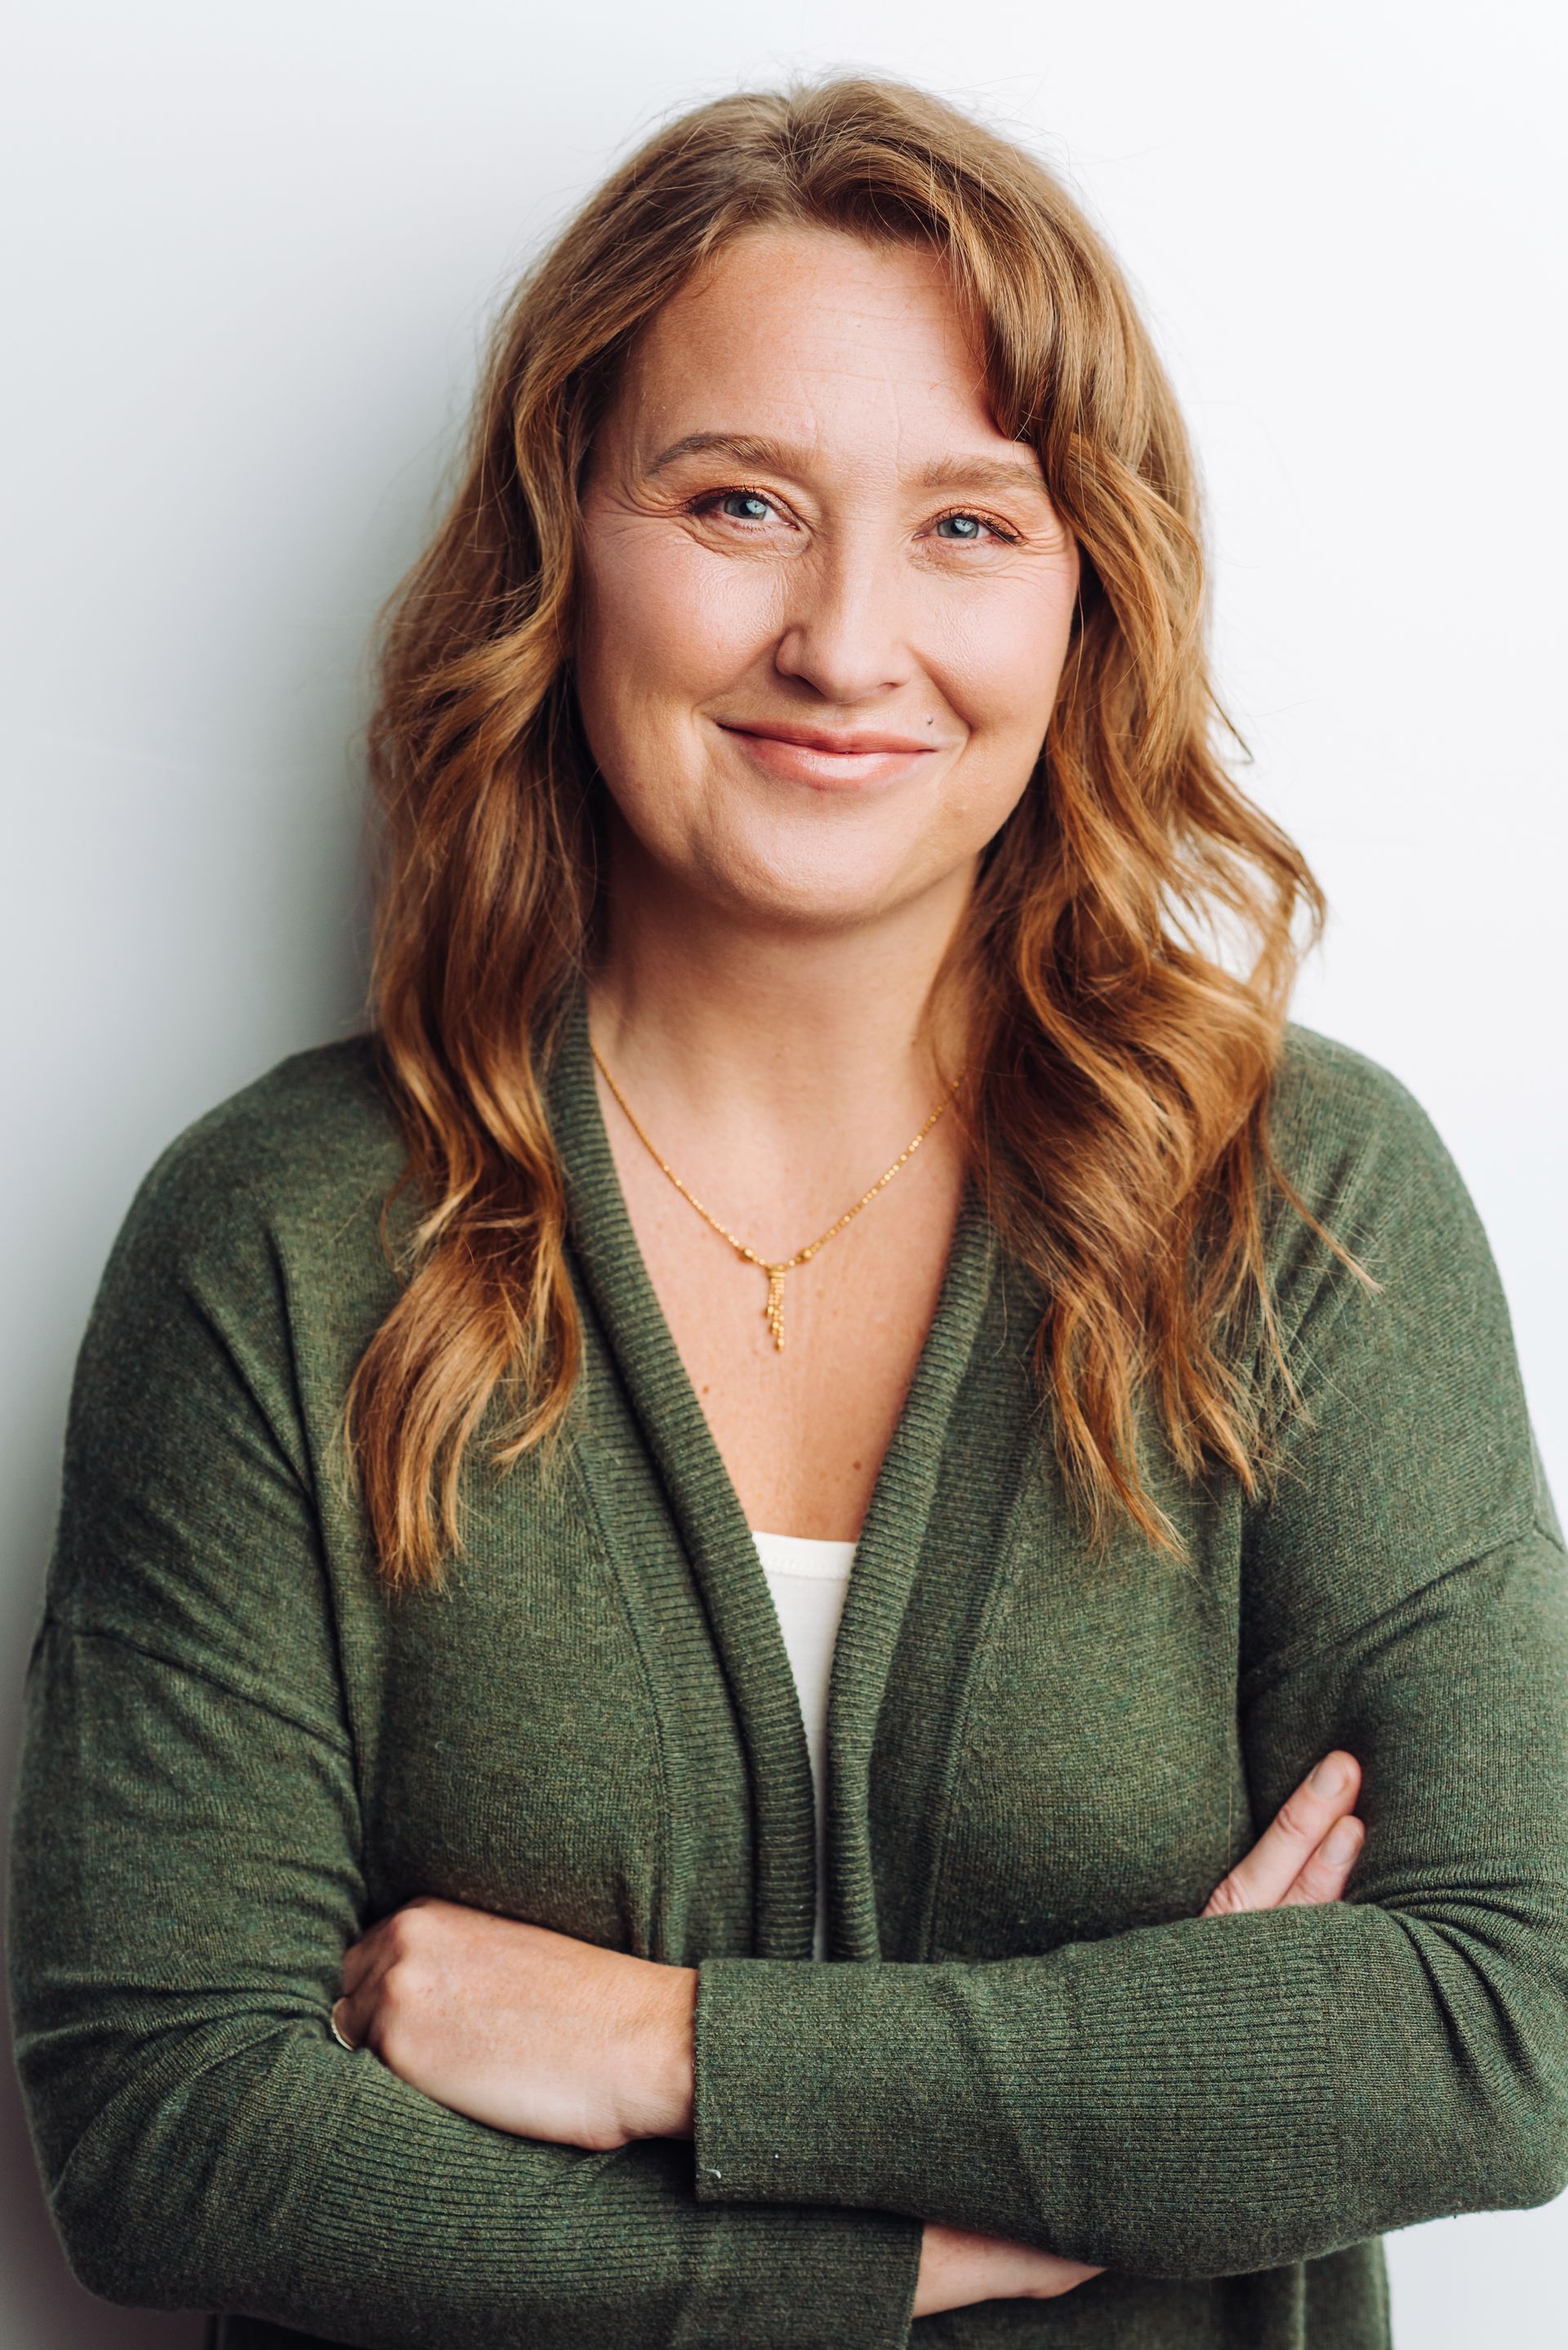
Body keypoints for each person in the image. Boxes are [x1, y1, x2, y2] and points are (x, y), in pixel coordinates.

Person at [8, 71, 1567, 2350]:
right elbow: (170, 2130)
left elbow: (1496, 2022)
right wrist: (981, 2209)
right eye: (739, 502)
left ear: (1083, 597)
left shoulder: (1298, 1214)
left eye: (969, 524)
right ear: (564, 549)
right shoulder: (281, 1239)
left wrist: (665, 2048)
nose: (846, 642)